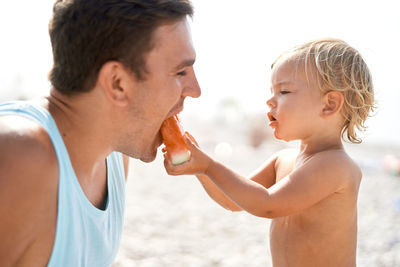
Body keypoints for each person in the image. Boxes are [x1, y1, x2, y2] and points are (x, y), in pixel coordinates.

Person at [0, 0, 200, 266]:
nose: (195, 89)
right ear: (117, 83)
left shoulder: (114, 158)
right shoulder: (19, 156)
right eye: (180, 71)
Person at [164, 38, 375, 267]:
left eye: (283, 91)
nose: (269, 101)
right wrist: (199, 168)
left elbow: (268, 205)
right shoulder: (283, 160)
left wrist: (209, 166)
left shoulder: (336, 166)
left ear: (329, 105)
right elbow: (231, 200)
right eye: (272, 91)